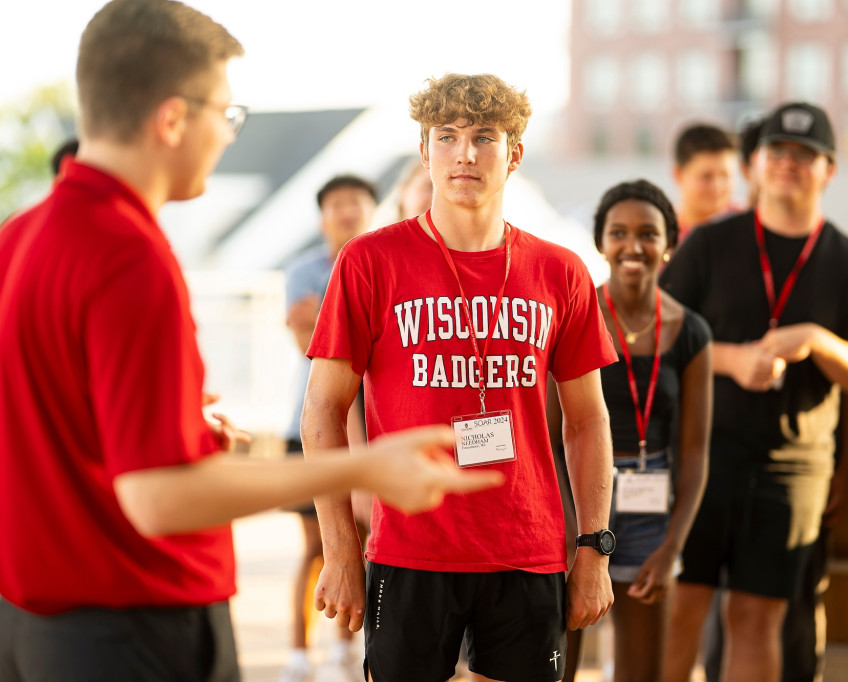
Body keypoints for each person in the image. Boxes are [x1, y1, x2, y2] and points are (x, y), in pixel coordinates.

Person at [0, 4, 501, 680]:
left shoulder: (22, 235)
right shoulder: (127, 256)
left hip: (41, 626)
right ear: (173, 118)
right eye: (226, 113)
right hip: (134, 625)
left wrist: (173, 424)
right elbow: (157, 497)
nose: (230, 135)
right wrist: (363, 468)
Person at [302, 72, 619, 682]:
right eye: (445, 136)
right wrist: (340, 549)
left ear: (516, 154)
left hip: (527, 547)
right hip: (409, 548)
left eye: (485, 137)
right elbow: (321, 411)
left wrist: (595, 550)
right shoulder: (369, 262)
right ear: (424, 151)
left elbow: (587, 420)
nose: (465, 153)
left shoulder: (561, 272)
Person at [659, 101, 848, 682]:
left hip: (793, 471)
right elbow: (649, 334)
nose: (789, 163)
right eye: (777, 152)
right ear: (755, 165)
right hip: (699, 460)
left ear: (829, 170)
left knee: (756, 618)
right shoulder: (710, 244)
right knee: (679, 606)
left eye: (805, 155)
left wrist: (818, 341)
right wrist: (735, 360)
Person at [564, 179, 712, 682]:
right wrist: (570, 532)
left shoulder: (690, 330)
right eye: (619, 232)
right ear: (601, 243)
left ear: (668, 243)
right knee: (558, 660)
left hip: (654, 505)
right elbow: (548, 432)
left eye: (648, 233)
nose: (633, 246)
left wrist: (673, 546)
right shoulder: (575, 316)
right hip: (579, 497)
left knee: (642, 671)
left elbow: (694, 452)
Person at [280, 174, 378, 682]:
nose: (346, 212)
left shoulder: (382, 264)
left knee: (362, 539)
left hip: (372, 427)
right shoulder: (303, 271)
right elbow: (309, 341)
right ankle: (299, 652)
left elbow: (320, 327)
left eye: (355, 203)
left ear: (371, 209)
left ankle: (345, 648)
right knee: (317, 546)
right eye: (336, 204)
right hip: (310, 424)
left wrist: (324, 318)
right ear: (322, 216)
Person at [670, 123, 739, 243]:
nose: (717, 186)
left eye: (725, 175)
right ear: (678, 175)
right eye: (706, 177)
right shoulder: (664, 237)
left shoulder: (751, 227)